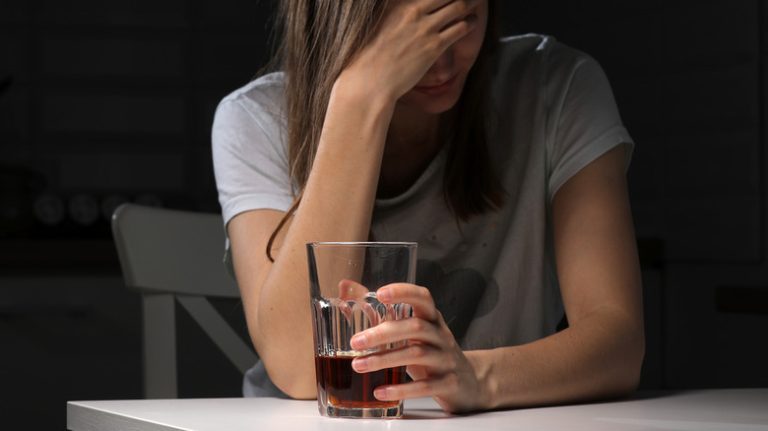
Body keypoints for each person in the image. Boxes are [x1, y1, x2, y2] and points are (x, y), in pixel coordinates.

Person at [212, 0, 644, 413]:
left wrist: (476, 377)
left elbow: (619, 342)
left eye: (459, 21)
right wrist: (361, 96)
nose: (440, 63)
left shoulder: (558, 87)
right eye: (405, 39)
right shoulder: (255, 119)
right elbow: (299, 369)